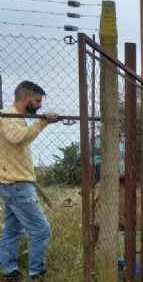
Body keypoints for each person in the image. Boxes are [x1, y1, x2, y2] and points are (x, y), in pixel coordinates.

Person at [0, 81, 58, 281]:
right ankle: (37, 272)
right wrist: (42, 121)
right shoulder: (9, 117)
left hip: (13, 183)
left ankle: (9, 271)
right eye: (37, 100)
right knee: (41, 229)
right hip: (17, 185)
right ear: (25, 98)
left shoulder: (15, 117)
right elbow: (18, 138)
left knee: (12, 229)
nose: (40, 105)